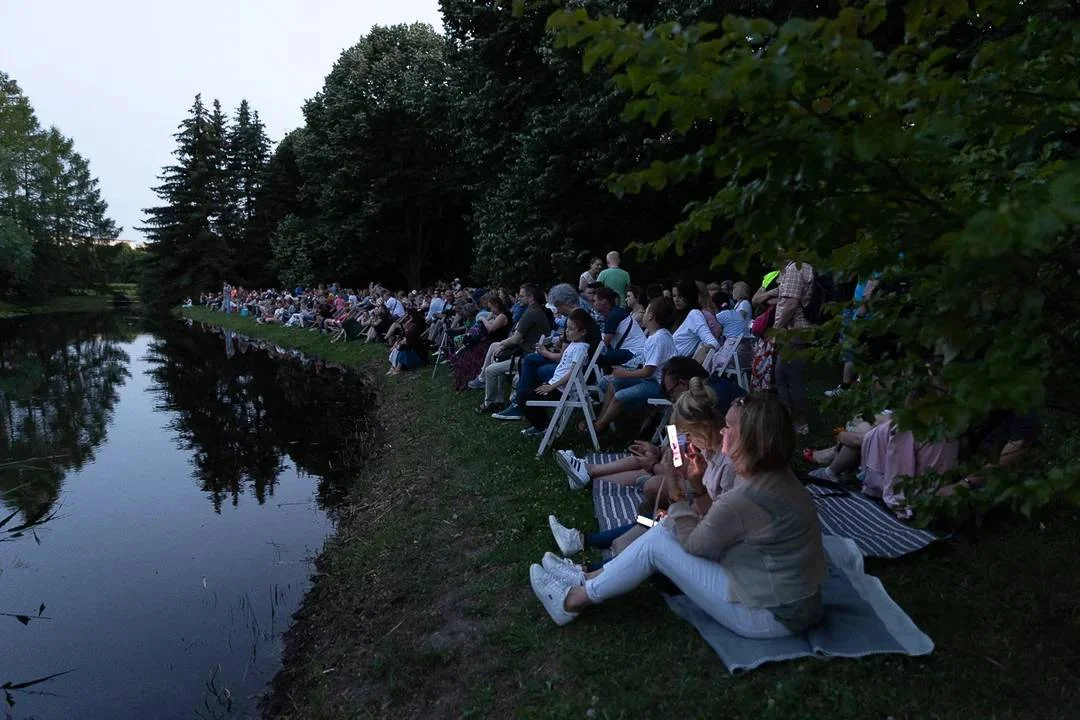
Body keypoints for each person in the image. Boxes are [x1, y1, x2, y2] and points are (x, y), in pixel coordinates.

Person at [530, 390, 827, 636]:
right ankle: (587, 578)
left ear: (748, 440)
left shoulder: (747, 493)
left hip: (775, 613)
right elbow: (714, 523)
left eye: (730, 427)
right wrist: (693, 486)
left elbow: (696, 544)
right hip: (785, 595)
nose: (723, 430)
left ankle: (573, 600)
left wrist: (675, 486)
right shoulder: (773, 475)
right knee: (666, 525)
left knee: (660, 540)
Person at [590, 296, 676, 434]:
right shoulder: (658, 335)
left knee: (620, 395)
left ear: (651, 316)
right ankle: (601, 420)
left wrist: (625, 373)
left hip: (659, 384)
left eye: (647, 310)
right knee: (613, 383)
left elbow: (648, 372)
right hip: (652, 379)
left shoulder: (658, 339)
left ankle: (598, 427)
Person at [519, 309, 601, 437]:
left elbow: (572, 373)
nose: (567, 331)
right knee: (528, 392)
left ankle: (543, 427)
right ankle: (544, 424)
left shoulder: (580, 348)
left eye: (571, 329)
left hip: (560, 390)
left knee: (523, 397)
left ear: (583, 332)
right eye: (567, 328)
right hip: (556, 386)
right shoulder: (574, 344)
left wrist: (552, 386)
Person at [477, 284, 553, 413]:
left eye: (522, 296)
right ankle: (497, 399)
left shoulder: (530, 313)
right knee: (495, 349)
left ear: (531, 298)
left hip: (526, 357)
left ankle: (489, 402)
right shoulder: (538, 310)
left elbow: (515, 339)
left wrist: (502, 345)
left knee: (491, 369)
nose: (518, 299)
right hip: (532, 352)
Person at [774, 259, 815, 435]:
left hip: (795, 331)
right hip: (798, 331)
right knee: (784, 374)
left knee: (791, 378)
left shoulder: (795, 268)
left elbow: (790, 304)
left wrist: (775, 330)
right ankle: (789, 421)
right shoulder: (801, 267)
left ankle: (799, 424)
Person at [451, 294, 511, 391]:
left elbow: (491, 328)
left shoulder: (503, 316)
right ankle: (467, 379)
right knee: (469, 346)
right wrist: (489, 317)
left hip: (496, 341)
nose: (490, 310)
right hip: (489, 340)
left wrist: (483, 319)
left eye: (491, 308)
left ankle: (477, 379)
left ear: (496, 305)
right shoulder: (497, 315)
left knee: (471, 349)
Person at [591, 286, 645, 371]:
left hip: (634, 353)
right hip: (637, 352)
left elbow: (605, 342)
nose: (593, 304)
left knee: (595, 356)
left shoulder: (613, 316)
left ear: (604, 301)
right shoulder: (616, 312)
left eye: (594, 301)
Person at [671, 280, 720, 360]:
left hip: (678, 368)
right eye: (674, 296)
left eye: (680, 296)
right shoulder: (680, 316)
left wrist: (694, 362)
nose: (676, 299)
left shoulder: (695, 314)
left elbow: (713, 343)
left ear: (689, 296)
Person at [388, 310, 429, 375]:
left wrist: (399, 344)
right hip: (413, 354)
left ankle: (397, 369)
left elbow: (404, 345)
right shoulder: (410, 333)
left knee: (402, 351)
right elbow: (403, 340)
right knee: (399, 349)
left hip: (419, 358)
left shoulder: (413, 333)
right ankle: (394, 367)